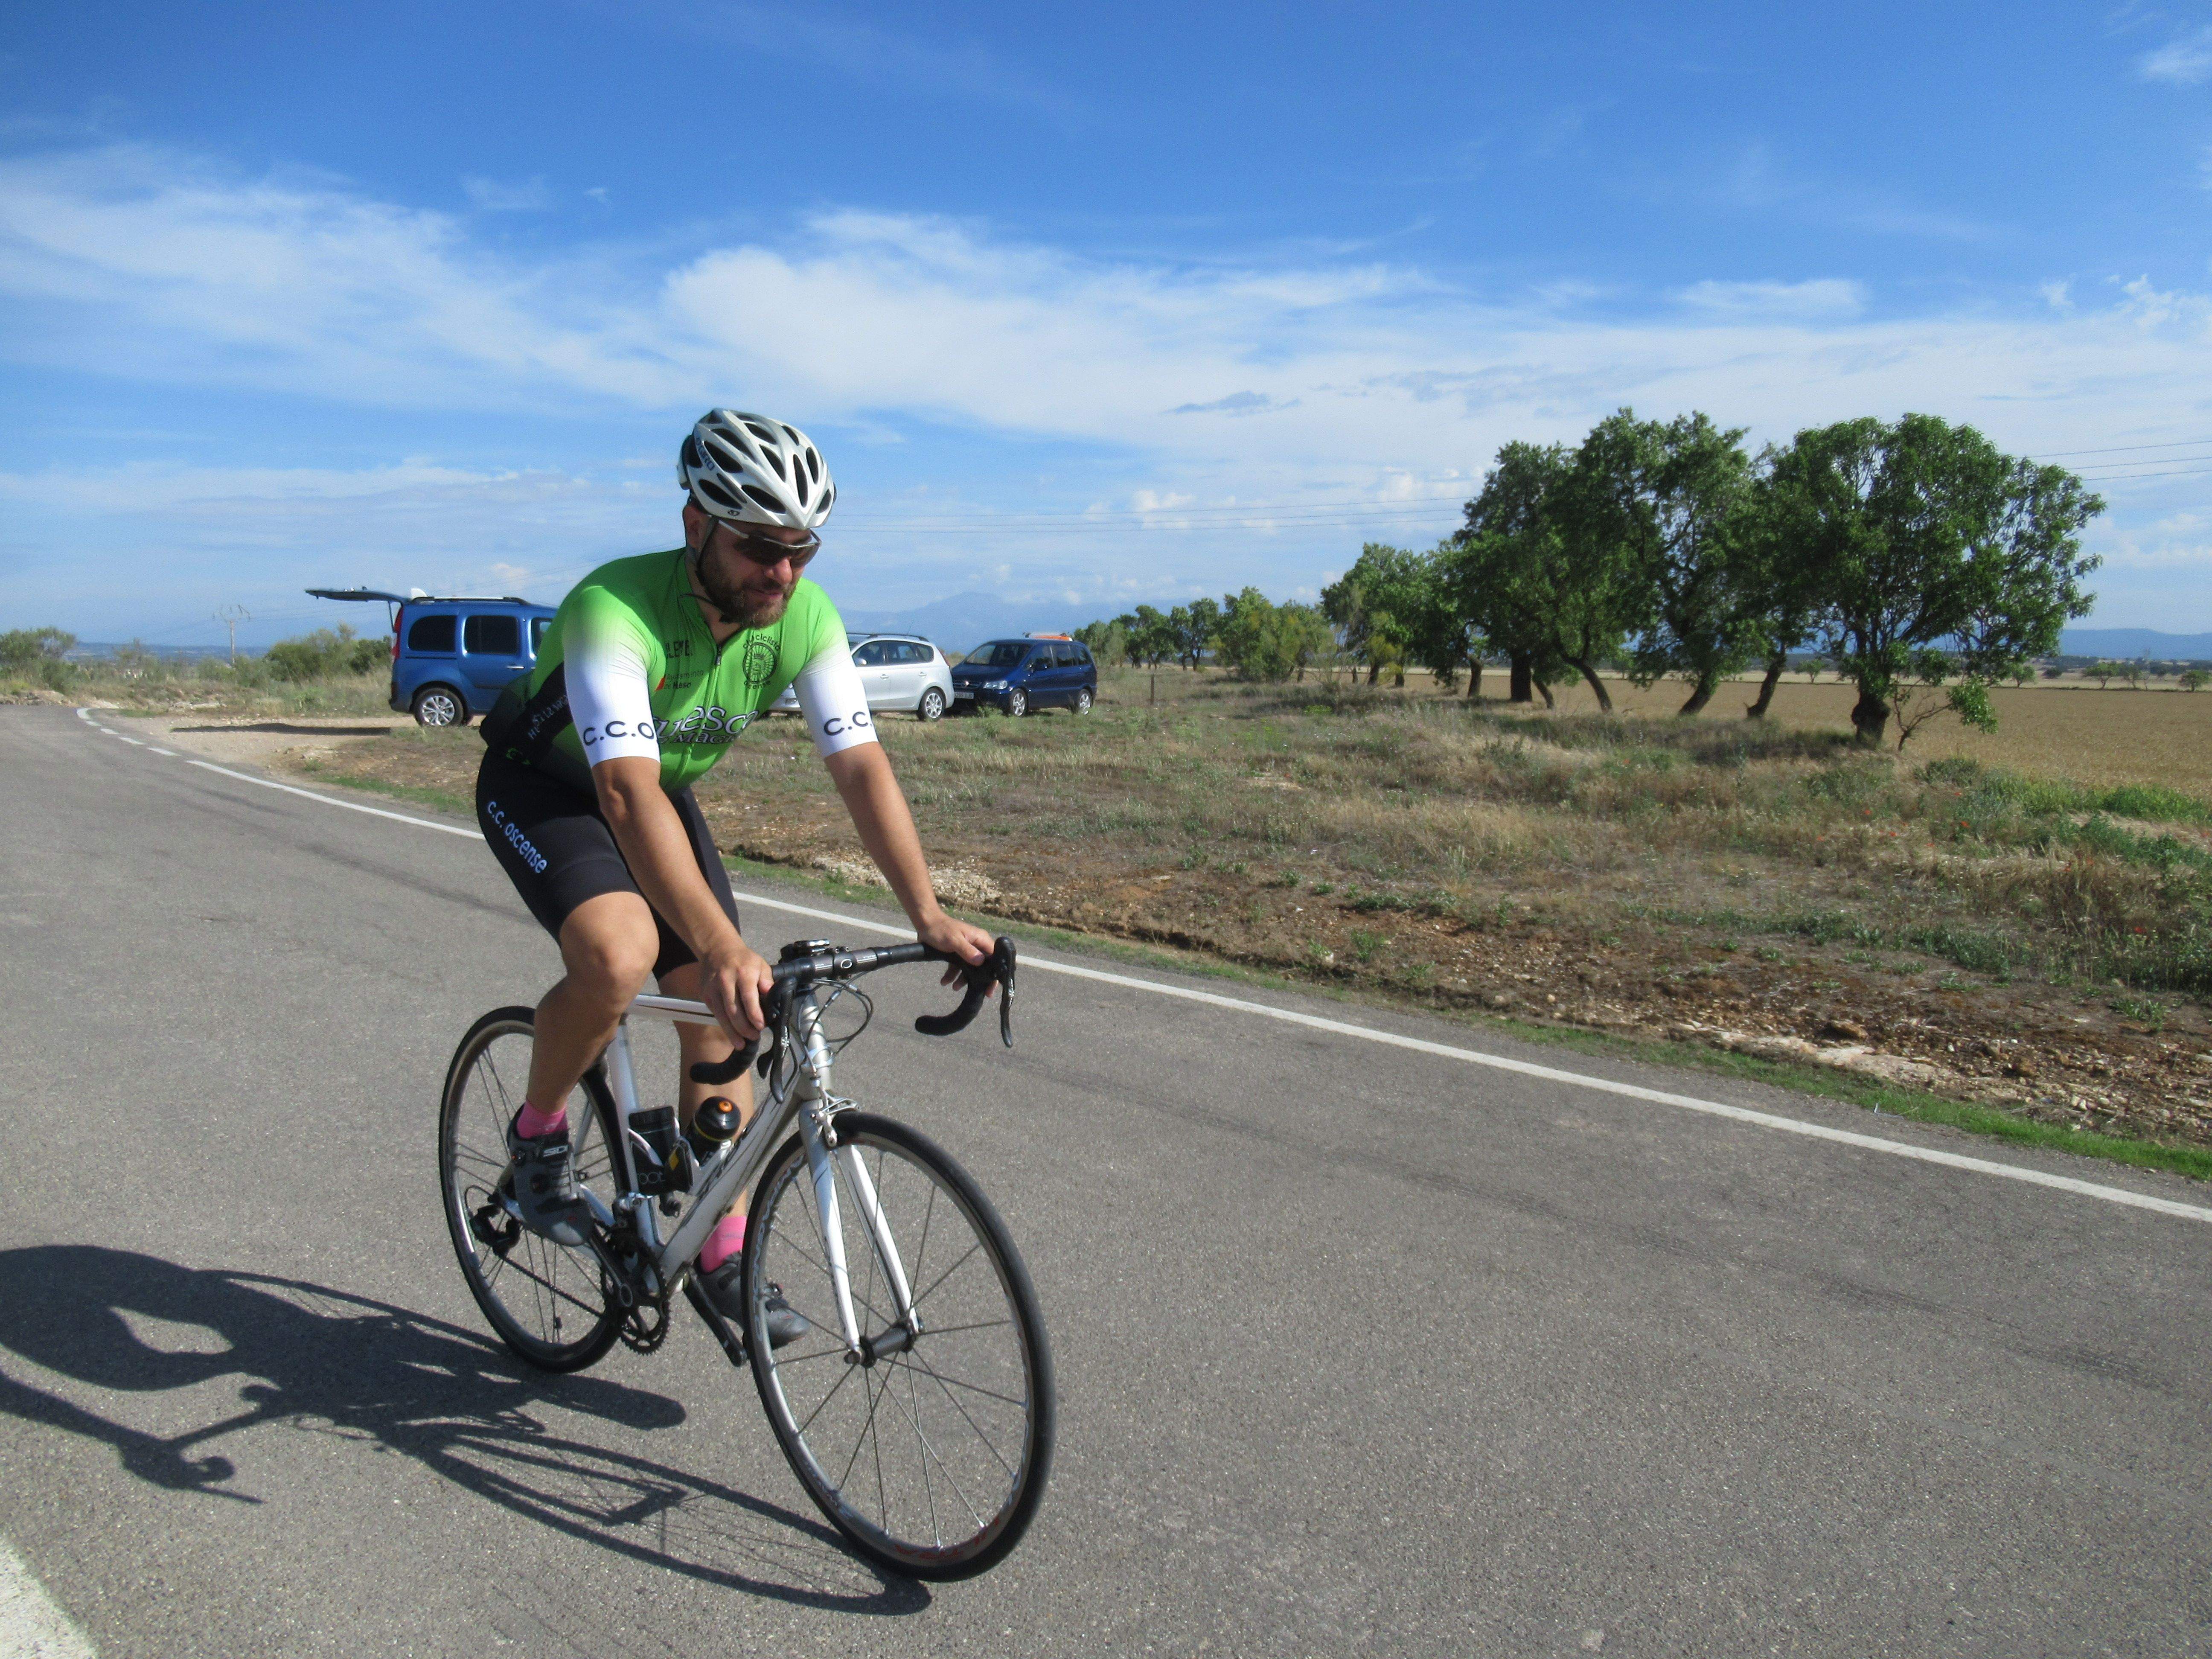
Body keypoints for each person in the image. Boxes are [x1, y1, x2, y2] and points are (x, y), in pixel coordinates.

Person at [474, 409, 995, 1339]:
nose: (783, 575)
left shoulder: (800, 617)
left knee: (733, 1007)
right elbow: (624, 798)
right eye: (761, 547)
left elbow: (861, 765)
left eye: (803, 551)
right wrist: (715, 942)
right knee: (622, 951)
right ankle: (540, 1139)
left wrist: (929, 914)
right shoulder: (613, 610)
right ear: (695, 527)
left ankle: (720, 1250)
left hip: (655, 794)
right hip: (551, 785)